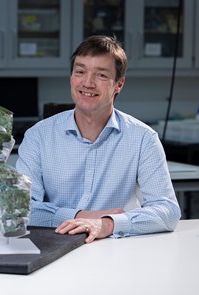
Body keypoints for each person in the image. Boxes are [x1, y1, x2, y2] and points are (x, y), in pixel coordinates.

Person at [16, 35, 181, 244]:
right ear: (71, 77)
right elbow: (20, 210)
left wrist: (108, 224)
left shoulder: (143, 139)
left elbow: (167, 211)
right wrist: (83, 217)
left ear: (118, 84)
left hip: (117, 249)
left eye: (101, 75)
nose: (87, 83)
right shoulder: (38, 136)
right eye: (80, 72)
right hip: (52, 247)